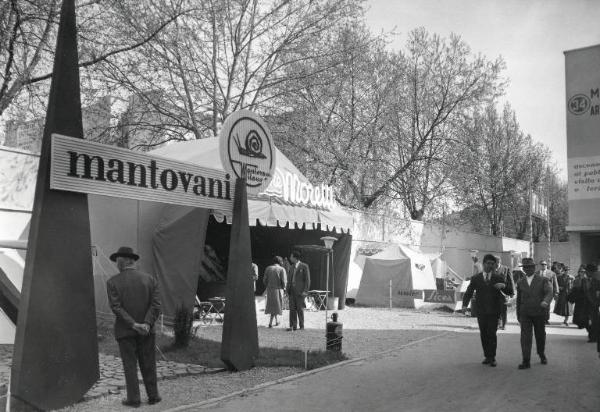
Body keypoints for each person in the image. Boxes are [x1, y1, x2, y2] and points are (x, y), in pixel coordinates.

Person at [107, 246, 162, 407]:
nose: (116, 264)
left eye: (117, 261)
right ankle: (153, 396)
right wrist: (146, 323)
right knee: (149, 362)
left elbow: (116, 307)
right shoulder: (150, 279)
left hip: (125, 331)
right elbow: (156, 305)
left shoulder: (112, 282)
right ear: (133, 262)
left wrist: (133, 324)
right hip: (147, 330)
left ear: (122, 262)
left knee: (130, 365)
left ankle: (134, 399)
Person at [461, 254, 513, 367]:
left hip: (494, 311)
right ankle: (487, 356)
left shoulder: (498, 277)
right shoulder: (476, 278)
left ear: (494, 265)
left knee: (492, 333)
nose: (490, 265)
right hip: (481, 311)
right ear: (483, 264)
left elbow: (510, 291)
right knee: (483, 334)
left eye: (492, 264)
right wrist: (464, 305)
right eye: (488, 263)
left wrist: (503, 286)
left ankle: (492, 357)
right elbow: (469, 292)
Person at [516, 257, 553, 369]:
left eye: (530, 267)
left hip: (539, 312)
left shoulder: (543, 280)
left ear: (534, 267)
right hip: (525, 313)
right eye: (525, 267)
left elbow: (550, 292)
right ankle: (526, 360)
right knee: (525, 337)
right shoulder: (520, 282)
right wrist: (518, 313)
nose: (527, 269)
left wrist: (545, 302)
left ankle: (541, 354)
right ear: (523, 269)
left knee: (540, 335)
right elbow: (519, 299)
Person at [286, 250, 310, 331]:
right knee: (292, 309)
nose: (290, 258)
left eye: (291, 256)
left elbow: (307, 280)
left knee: (300, 309)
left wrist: (305, 291)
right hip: (291, 291)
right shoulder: (291, 267)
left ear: (295, 258)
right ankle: (293, 326)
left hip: (300, 292)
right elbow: (289, 280)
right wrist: (287, 290)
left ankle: (301, 326)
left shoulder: (304, 266)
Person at [263, 256, 287, 328]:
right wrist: (284, 289)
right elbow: (284, 281)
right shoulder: (282, 269)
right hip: (278, 290)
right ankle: (270, 323)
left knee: (273, 306)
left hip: (270, 290)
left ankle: (276, 321)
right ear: (280, 262)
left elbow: (264, 280)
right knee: (276, 306)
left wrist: (268, 285)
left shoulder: (268, 268)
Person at [570, 265, 592, 340]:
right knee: (582, 318)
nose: (582, 273)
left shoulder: (587, 280)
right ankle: (589, 332)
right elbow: (574, 290)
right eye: (581, 272)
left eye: (583, 272)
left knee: (587, 318)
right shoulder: (577, 280)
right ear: (579, 272)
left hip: (587, 302)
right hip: (580, 302)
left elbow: (587, 291)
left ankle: (591, 334)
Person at [494, 255, 515, 330]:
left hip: (504, 292)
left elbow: (511, 280)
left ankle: (504, 324)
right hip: (493, 293)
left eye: (496, 262)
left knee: (503, 309)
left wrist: (512, 292)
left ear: (499, 261)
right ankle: (496, 323)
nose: (495, 264)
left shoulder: (505, 268)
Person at [537, 260, 558, 324]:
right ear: (540, 265)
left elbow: (555, 283)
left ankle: (546, 319)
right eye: (542, 264)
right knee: (539, 306)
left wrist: (556, 292)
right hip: (538, 292)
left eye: (545, 264)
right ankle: (539, 319)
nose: (544, 266)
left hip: (548, 293)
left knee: (547, 306)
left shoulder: (552, 273)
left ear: (547, 265)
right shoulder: (536, 273)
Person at [586, 263, 600, 344]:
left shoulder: (596, 278)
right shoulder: (594, 277)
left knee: (594, 320)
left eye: (587, 271)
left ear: (590, 271)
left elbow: (597, 292)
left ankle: (594, 337)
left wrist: (595, 302)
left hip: (594, 303)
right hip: (593, 303)